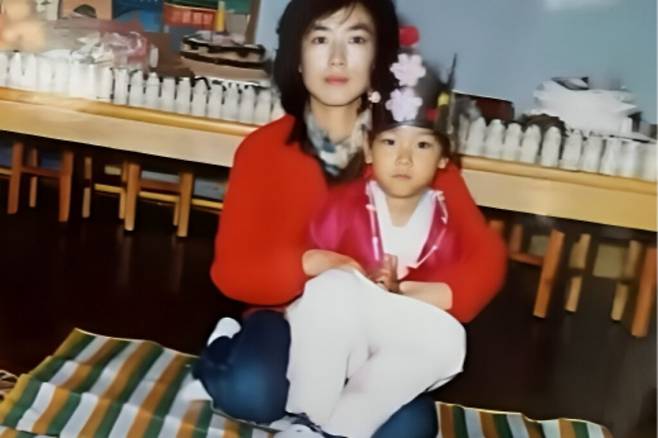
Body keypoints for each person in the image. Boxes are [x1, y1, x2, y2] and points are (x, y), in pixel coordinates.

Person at [193, 0, 506, 435]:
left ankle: (324, 415)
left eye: (356, 39)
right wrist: (316, 263)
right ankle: (227, 346)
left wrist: (411, 294)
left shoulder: (409, 151)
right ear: (297, 57)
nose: (337, 58)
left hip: (377, 333)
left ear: (378, 57)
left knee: (409, 430)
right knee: (252, 390)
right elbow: (232, 272)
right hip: (282, 318)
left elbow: (486, 258)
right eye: (320, 39)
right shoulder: (262, 151)